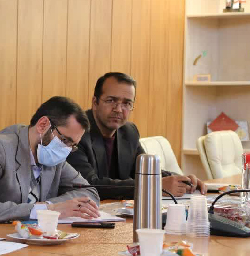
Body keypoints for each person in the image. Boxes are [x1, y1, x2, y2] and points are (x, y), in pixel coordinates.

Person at [0, 96, 100, 227]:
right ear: (43, 125)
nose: (66, 149)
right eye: (65, 140)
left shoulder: (53, 155)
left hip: (21, 238)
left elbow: (89, 192)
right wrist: (50, 209)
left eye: (72, 145)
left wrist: (55, 206)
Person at [66, 72, 206, 200]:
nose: (118, 109)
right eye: (111, 100)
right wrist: (153, 186)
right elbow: (89, 184)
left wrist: (182, 180)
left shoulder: (129, 131)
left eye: (127, 103)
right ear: (95, 102)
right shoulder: (76, 133)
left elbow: (146, 171)